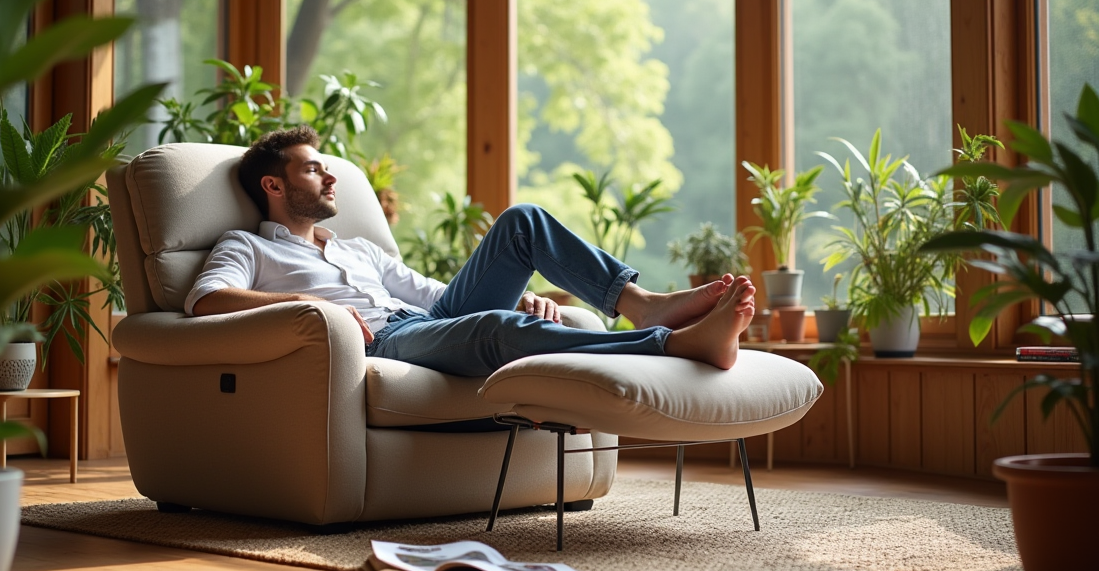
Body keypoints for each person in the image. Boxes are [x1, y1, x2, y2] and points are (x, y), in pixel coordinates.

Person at [187, 127, 756, 377]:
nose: (331, 178)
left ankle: (642, 303)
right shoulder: (248, 246)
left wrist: (530, 296)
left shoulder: (355, 247)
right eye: (314, 169)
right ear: (274, 185)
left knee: (522, 222)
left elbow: (433, 296)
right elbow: (206, 301)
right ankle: (671, 345)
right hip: (384, 342)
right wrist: (318, 309)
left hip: (426, 320)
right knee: (494, 330)